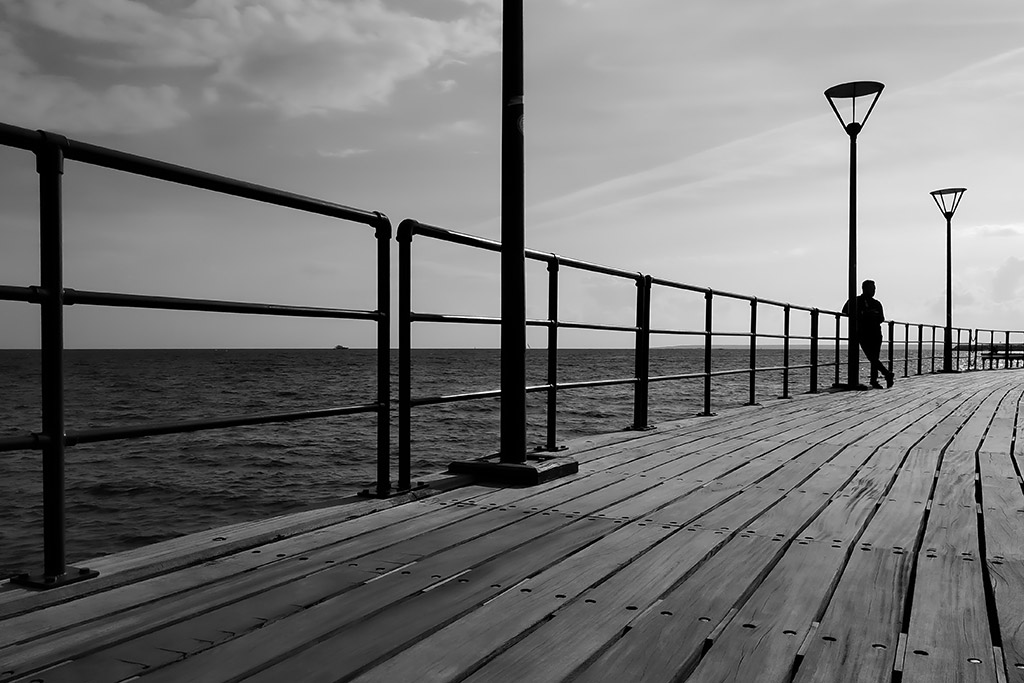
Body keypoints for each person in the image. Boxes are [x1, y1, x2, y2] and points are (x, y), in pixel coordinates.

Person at [842, 280, 895, 389]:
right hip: (863, 333)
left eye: (874, 288)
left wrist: (872, 315)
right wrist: (862, 315)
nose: (873, 291)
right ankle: (886, 374)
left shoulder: (877, 303)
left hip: (876, 333)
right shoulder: (855, 300)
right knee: (871, 357)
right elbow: (845, 312)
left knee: (874, 357)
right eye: (871, 288)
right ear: (864, 289)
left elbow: (881, 318)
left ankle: (875, 380)